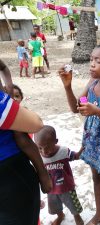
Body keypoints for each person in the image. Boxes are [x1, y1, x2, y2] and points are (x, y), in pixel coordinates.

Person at [59, 44, 100, 225]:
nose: (92, 64)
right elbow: (76, 108)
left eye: (98, 61)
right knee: (96, 177)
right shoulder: (92, 84)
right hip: (92, 141)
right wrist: (67, 86)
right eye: (91, 59)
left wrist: (98, 112)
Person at [0, 77, 47, 224]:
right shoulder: (14, 118)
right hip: (10, 173)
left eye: (17, 96)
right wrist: (43, 175)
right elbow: (36, 125)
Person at [35, 125, 84, 225]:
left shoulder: (64, 151)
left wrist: (81, 150)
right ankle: (60, 215)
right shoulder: (39, 157)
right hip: (51, 189)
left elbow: (75, 156)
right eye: (40, 148)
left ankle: (77, 217)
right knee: (55, 206)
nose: (44, 151)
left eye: (48, 147)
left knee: (73, 205)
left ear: (56, 141)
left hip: (67, 187)